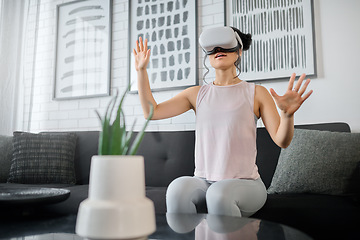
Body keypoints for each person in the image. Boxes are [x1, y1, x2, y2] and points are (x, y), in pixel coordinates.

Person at [133, 26, 313, 217]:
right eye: (213, 48)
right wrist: (141, 71)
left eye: (225, 46)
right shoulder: (196, 94)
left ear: (239, 51)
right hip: (203, 180)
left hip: (246, 184)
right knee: (177, 189)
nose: (218, 50)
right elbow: (151, 113)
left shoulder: (257, 93)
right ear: (208, 56)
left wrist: (287, 115)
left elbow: (282, 141)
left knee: (219, 195)